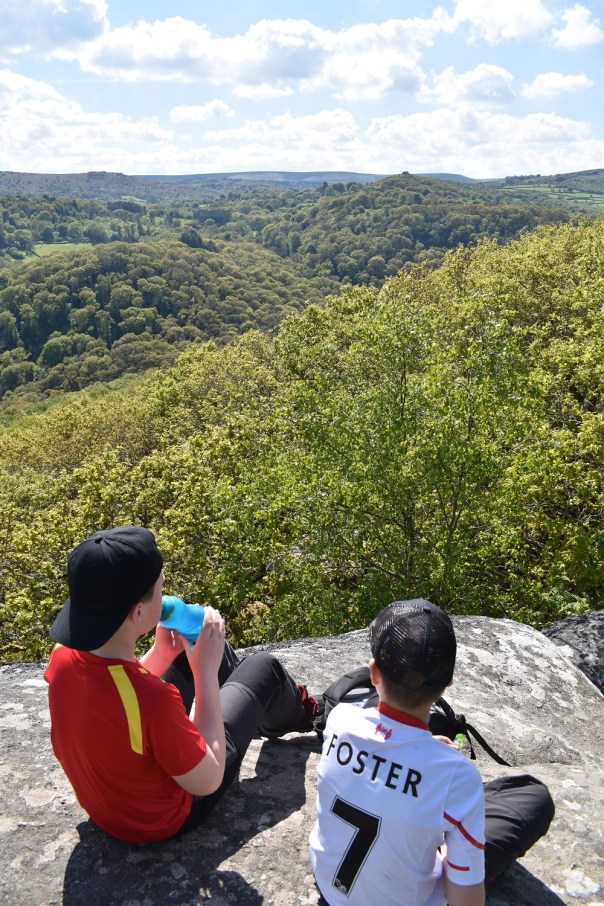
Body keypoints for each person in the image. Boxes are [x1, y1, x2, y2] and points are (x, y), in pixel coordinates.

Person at [44, 525, 321, 843]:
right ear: (138, 612)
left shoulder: (63, 656)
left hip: (110, 807)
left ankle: (242, 707)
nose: (164, 594)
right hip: (163, 818)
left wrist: (162, 653)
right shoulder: (154, 699)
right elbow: (207, 780)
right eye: (160, 587)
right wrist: (206, 673)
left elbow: (118, 698)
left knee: (192, 653)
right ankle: (307, 714)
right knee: (263, 668)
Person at [309, 599, 554, 906]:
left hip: (329, 887)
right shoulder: (457, 777)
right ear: (447, 682)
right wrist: (450, 853)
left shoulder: (340, 719)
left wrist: (421, 749)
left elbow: (379, 767)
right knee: (532, 795)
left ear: (373, 673)